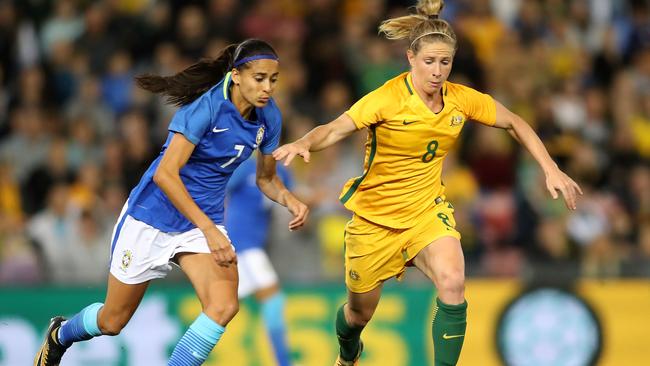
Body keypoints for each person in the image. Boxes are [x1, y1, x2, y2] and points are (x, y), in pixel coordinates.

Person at [272, 1, 582, 365]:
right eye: (429, 62)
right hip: (375, 221)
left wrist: (550, 167)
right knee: (358, 316)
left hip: (425, 212)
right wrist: (303, 142)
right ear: (410, 58)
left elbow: (514, 122)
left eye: (445, 63)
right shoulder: (387, 98)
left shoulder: (460, 99)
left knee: (452, 281)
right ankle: (348, 352)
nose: (437, 72)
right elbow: (336, 127)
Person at [34, 38, 309, 366]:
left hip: (200, 221)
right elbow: (166, 175)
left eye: (273, 80)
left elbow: (266, 179)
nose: (267, 88)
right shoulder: (205, 109)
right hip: (152, 217)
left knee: (223, 306)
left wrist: (290, 199)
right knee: (112, 321)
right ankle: (60, 334)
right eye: (259, 78)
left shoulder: (269, 118)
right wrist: (209, 230)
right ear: (236, 75)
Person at [225, 156, 294, 366]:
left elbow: (292, 198)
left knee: (223, 310)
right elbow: (220, 192)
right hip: (240, 244)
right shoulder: (244, 168)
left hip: (253, 244)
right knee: (273, 301)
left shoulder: (282, 172)